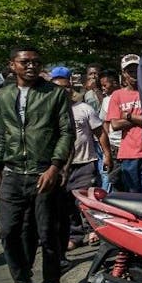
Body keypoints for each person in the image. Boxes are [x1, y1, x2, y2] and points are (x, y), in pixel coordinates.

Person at [0, 45, 76, 283]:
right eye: (25, 62)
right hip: (13, 172)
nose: (31, 66)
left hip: (44, 172)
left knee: (47, 231)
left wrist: (55, 167)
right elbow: (0, 134)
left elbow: (67, 132)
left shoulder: (54, 94)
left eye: (35, 62)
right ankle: (22, 282)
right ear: (12, 65)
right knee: (7, 230)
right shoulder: (4, 95)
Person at [50, 67, 111, 250]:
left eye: (67, 87)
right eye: (59, 88)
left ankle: (95, 230)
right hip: (60, 166)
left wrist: (107, 155)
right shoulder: (49, 112)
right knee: (66, 204)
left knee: (85, 201)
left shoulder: (84, 109)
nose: (64, 91)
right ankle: (75, 236)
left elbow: (100, 133)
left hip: (85, 162)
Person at [106, 54, 142, 193]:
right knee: (132, 193)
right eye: (130, 71)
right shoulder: (117, 95)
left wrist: (130, 116)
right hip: (128, 153)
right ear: (124, 74)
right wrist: (140, 119)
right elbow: (115, 124)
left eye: (136, 69)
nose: (134, 74)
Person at [97, 69, 122, 190]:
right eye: (101, 86)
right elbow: (105, 123)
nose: (103, 88)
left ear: (115, 83)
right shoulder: (106, 100)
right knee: (114, 180)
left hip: (129, 145)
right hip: (114, 147)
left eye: (105, 85)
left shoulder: (128, 96)